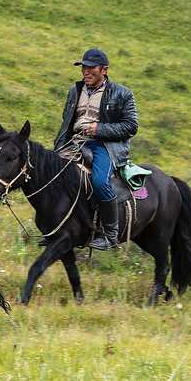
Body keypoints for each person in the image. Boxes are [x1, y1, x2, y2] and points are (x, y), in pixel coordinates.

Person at [53, 48, 138, 250]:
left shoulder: (123, 94)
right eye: (84, 67)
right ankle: (55, 229)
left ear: (104, 70)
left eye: (91, 68)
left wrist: (99, 129)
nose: (86, 71)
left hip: (104, 146)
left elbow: (131, 126)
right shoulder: (74, 91)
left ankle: (110, 235)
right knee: (49, 176)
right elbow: (66, 122)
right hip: (74, 143)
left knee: (99, 182)